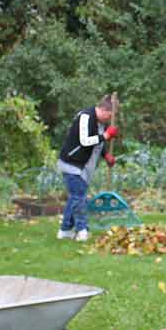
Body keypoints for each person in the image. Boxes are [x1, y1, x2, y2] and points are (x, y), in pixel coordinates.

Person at [57, 95, 119, 241]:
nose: (108, 119)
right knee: (80, 198)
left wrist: (106, 155)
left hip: (83, 166)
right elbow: (85, 141)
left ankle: (65, 230)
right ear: (104, 110)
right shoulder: (85, 117)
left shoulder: (99, 123)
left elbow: (98, 142)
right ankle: (82, 230)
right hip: (71, 163)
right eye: (109, 116)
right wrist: (106, 135)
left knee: (75, 198)